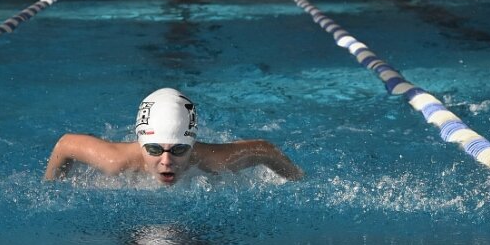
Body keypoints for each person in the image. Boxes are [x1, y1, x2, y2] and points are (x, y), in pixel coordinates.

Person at [44, 88, 304, 185]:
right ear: (141, 143)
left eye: (178, 149)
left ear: (192, 145)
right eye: (155, 149)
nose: (166, 161)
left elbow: (264, 150)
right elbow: (66, 144)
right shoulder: (116, 161)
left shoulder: (216, 162)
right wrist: (52, 187)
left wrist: (299, 181)